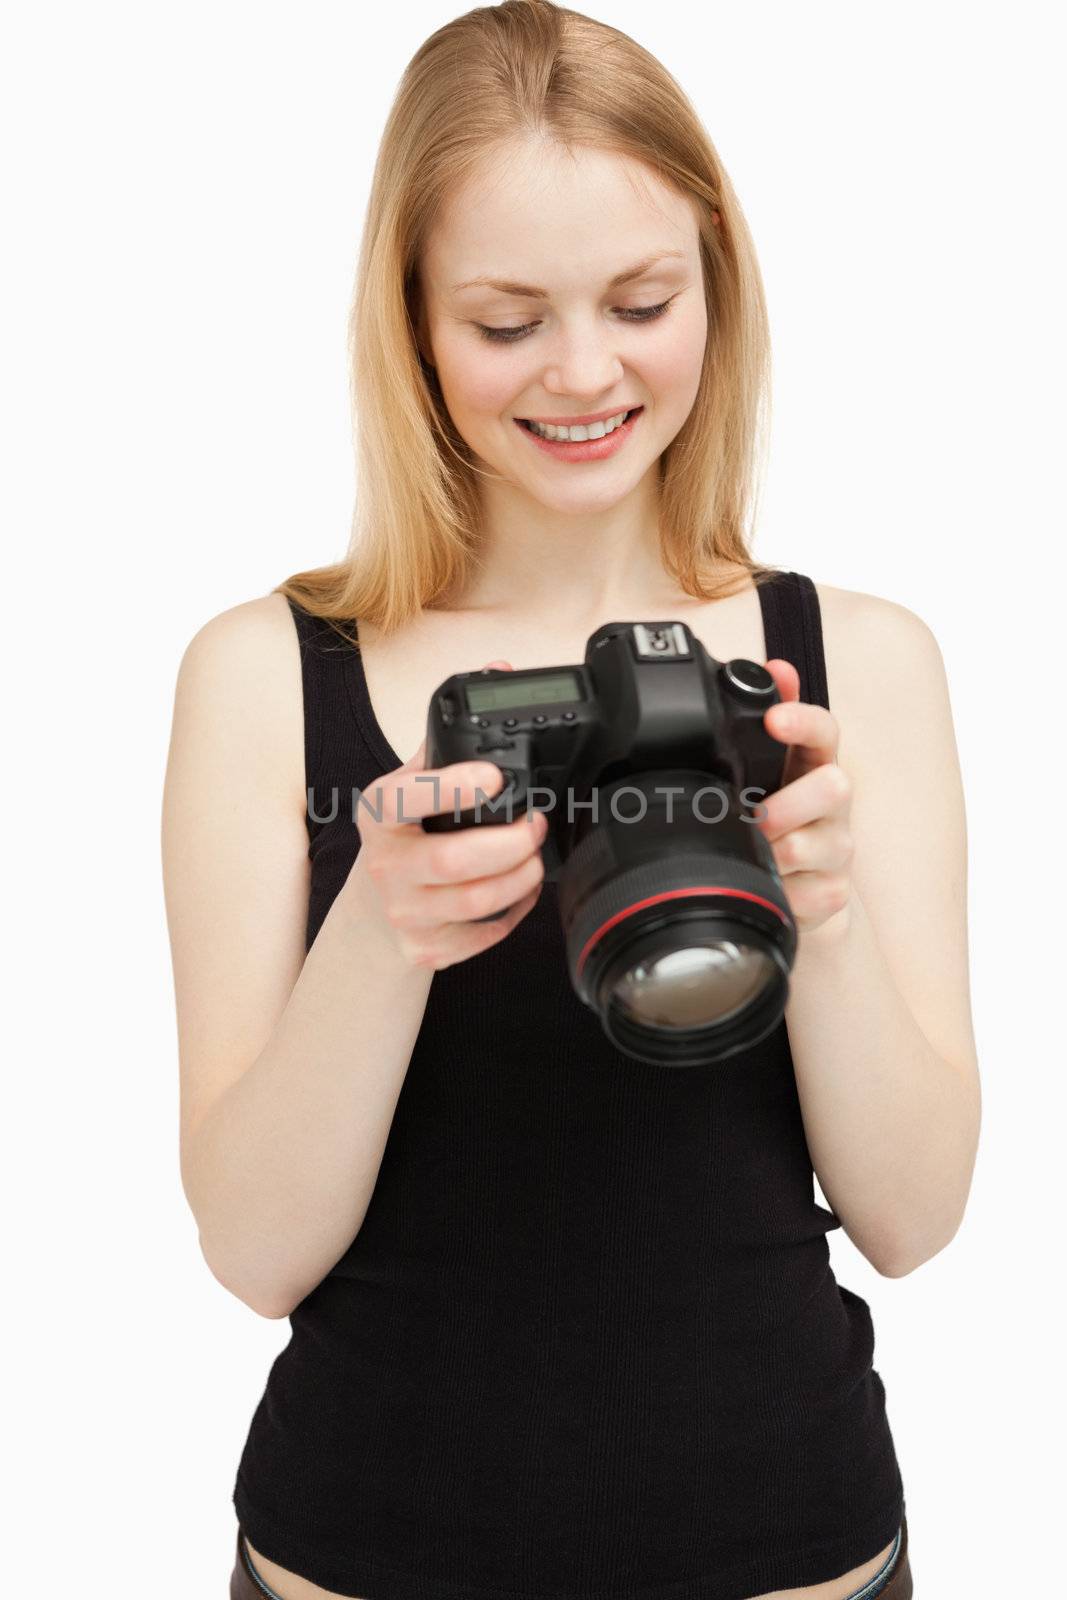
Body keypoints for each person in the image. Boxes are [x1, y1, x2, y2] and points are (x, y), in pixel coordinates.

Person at [162, 3, 980, 1597]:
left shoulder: (854, 662)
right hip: (361, 1546)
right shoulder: (266, 676)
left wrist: (821, 909)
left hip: (788, 1544)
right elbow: (254, 1253)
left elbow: (916, 1214)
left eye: (640, 299)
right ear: (410, 326)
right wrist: (382, 937)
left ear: (715, 293)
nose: (586, 370)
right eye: (507, 319)